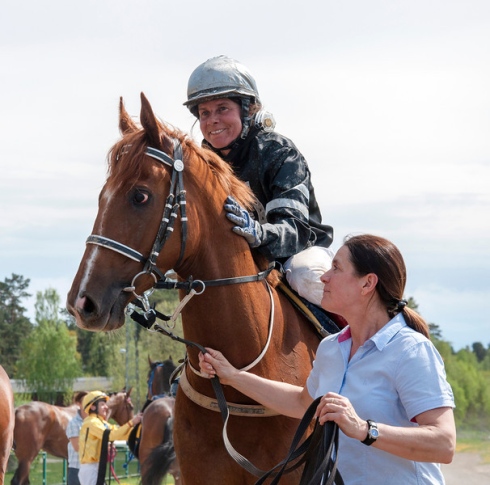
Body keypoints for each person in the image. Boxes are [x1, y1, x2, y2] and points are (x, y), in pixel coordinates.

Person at [199, 234, 456, 484]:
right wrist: (232, 376)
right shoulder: (331, 348)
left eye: (336, 268)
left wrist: (365, 429)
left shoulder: (411, 350)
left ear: (367, 284)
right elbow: (301, 402)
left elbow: (444, 444)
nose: (324, 277)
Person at [184, 55, 334, 307]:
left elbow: (295, 232)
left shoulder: (279, 152)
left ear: (247, 109)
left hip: (298, 255)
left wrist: (258, 233)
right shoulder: (202, 164)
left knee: (304, 274)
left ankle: (355, 342)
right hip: (243, 258)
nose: (212, 121)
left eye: (222, 109)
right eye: (204, 113)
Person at [78, 391, 142, 485]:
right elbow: (112, 435)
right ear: (93, 407)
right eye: (103, 404)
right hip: (90, 469)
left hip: (96, 467)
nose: (106, 407)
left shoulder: (100, 422)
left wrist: (139, 430)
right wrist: (132, 422)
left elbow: (120, 433)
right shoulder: (91, 422)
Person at [66, 391, 88, 485]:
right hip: (77, 469)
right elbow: (77, 447)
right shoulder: (74, 423)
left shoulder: (95, 423)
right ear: (78, 404)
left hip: (91, 468)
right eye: (85, 401)